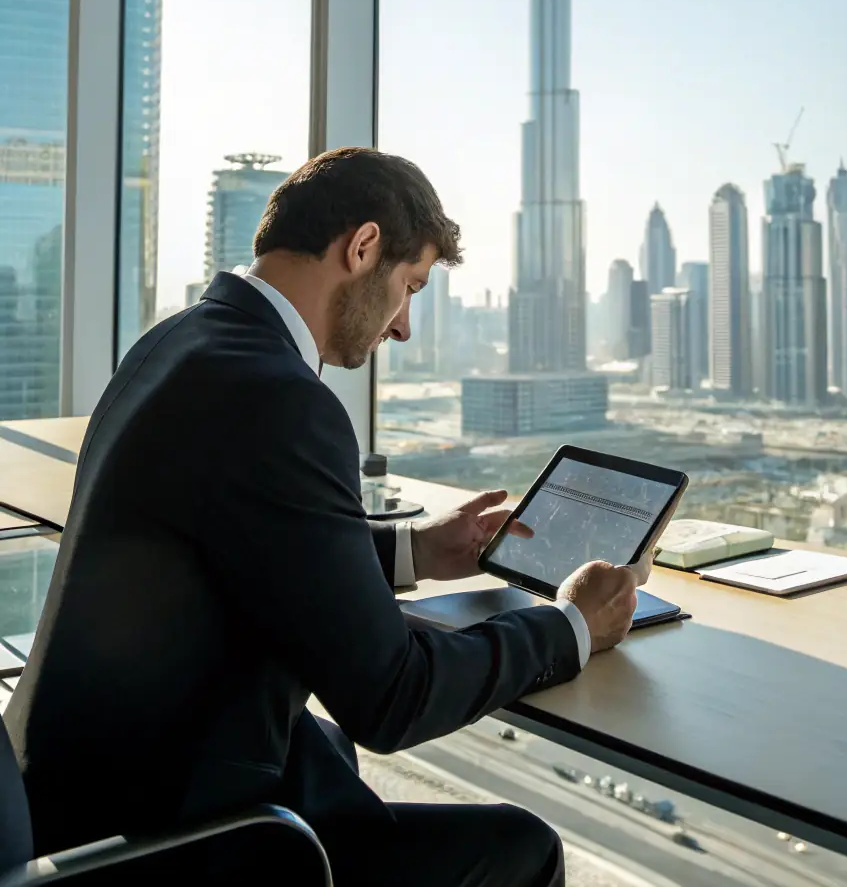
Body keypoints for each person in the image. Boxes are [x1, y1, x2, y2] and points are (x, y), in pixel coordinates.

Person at [7, 148, 642, 887]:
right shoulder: (281, 399)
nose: (403, 326)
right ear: (362, 246)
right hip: (175, 832)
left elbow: (244, 538)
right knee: (522, 846)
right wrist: (569, 626)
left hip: (74, 785)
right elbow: (391, 696)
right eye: (409, 286)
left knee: (329, 754)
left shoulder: (180, 343)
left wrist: (416, 550)